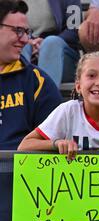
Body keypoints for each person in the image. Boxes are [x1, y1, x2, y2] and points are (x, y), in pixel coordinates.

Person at [0, 0, 62, 150]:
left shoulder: (38, 82)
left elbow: (54, 139)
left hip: (16, 168)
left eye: (26, 32)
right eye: (18, 31)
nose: (25, 40)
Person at [21, 0, 81, 88]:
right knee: (21, 42)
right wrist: (29, 40)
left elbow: (74, 30)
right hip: (28, 51)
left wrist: (43, 43)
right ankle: (20, 95)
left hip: (61, 57)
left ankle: (46, 98)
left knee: (50, 42)